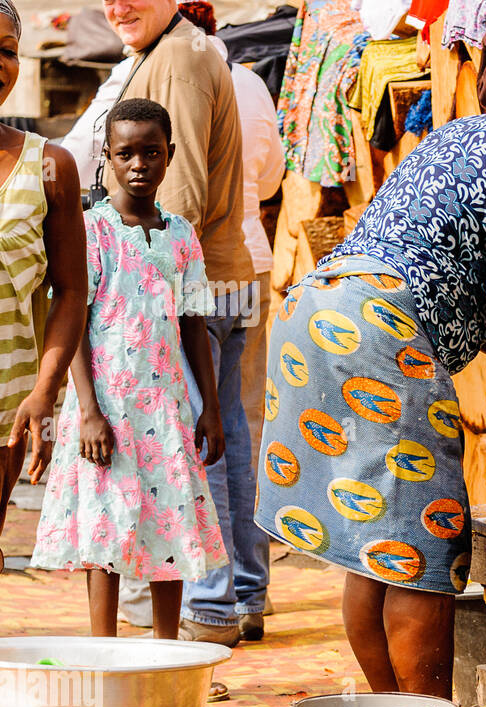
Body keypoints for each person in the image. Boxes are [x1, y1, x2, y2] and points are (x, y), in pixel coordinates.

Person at [255, 49, 486, 698]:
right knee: (420, 545)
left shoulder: (470, 130)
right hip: (381, 332)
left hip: (317, 313)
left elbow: (476, 309)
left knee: (370, 538)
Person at [101, 0, 267, 647]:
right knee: (224, 430)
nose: (118, 7)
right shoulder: (177, 50)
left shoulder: (178, 57)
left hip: (194, 285)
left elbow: (184, 193)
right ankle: (243, 592)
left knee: (198, 442)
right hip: (224, 275)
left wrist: (151, 296)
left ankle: (214, 601)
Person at [30, 99, 228, 641]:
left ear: (170, 156)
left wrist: (209, 407)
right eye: (125, 154)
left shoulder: (182, 235)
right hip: (105, 409)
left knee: (171, 525)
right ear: (108, 159)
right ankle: (103, 652)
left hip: (164, 409)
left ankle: (166, 652)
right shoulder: (88, 230)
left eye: (151, 152)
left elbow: (193, 325)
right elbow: (71, 320)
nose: (139, 163)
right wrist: (89, 411)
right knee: (106, 528)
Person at [0, 0, 89, 567]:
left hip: (6, 407)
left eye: (7, 51)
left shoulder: (49, 165)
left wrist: (45, 391)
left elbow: (72, 290)